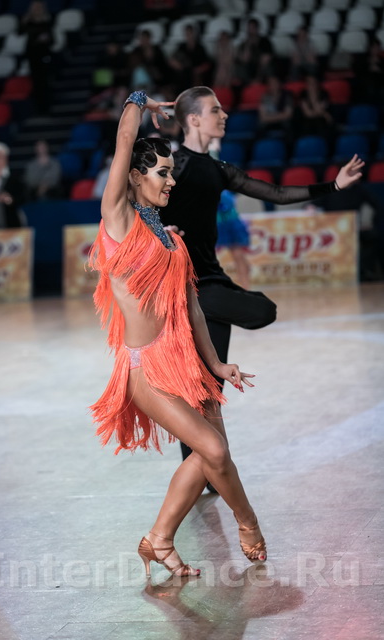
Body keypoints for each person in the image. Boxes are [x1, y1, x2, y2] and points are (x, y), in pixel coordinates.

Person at [88, 89, 267, 576]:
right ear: (135, 177)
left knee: (207, 458)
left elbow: (192, 311)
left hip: (186, 360)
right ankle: (248, 523)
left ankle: (159, 540)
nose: (171, 181)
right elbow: (124, 141)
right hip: (147, 368)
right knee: (213, 450)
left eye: (172, 173)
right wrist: (140, 101)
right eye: (162, 173)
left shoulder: (171, 240)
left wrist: (216, 364)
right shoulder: (118, 221)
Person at [160, 86, 364, 471]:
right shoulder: (174, 164)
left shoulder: (218, 169)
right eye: (215, 110)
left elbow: (275, 192)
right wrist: (159, 231)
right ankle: (203, 468)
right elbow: (136, 199)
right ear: (194, 119)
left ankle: (205, 470)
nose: (224, 115)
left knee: (211, 383)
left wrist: (333, 185)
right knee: (205, 376)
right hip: (183, 285)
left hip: (212, 283)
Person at [21, 1, 53, 115]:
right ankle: (38, 108)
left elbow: (51, 39)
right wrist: (24, 22)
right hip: (32, 55)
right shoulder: (27, 22)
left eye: (38, 7)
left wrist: (45, 39)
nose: (36, 9)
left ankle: (47, 107)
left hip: (44, 54)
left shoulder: (47, 21)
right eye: (34, 7)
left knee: (45, 82)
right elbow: (20, 34)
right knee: (36, 83)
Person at [216, 190, 251, 290]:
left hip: (231, 224)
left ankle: (245, 285)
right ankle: (245, 284)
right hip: (221, 224)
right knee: (238, 256)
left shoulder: (226, 193)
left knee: (238, 256)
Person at [233, 18, 274, 86]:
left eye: (252, 28)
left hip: (262, 69)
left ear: (257, 29)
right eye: (249, 29)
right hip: (250, 69)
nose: (250, 31)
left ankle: (259, 82)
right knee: (239, 69)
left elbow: (267, 58)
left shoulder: (265, 41)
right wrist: (248, 45)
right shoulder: (245, 44)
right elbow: (244, 59)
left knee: (267, 66)